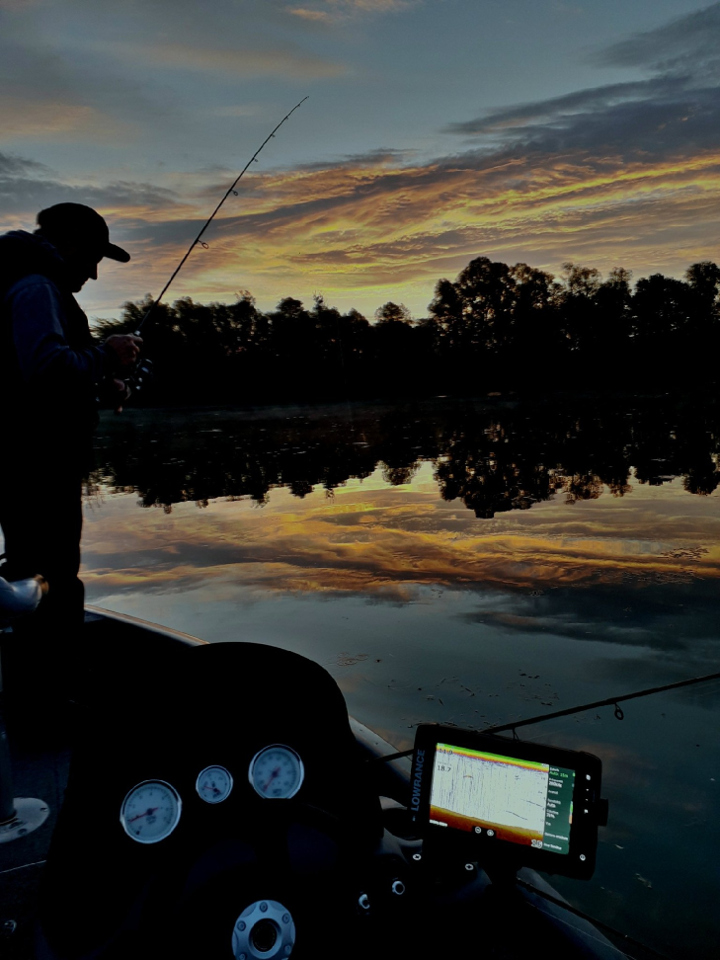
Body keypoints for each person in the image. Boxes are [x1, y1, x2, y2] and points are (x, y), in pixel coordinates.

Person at [0, 203, 141, 716]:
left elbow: (35, 381)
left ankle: (42, 693)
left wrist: (103, 380)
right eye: (95, 257)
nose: (95, 272)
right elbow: (46, 368)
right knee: (52, 579)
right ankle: (47, 704)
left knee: (38, 575)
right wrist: (107, 354)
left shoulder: (31, 286)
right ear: (73, 244)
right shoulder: (38, 288)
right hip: (35, 466)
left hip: (28, 462)